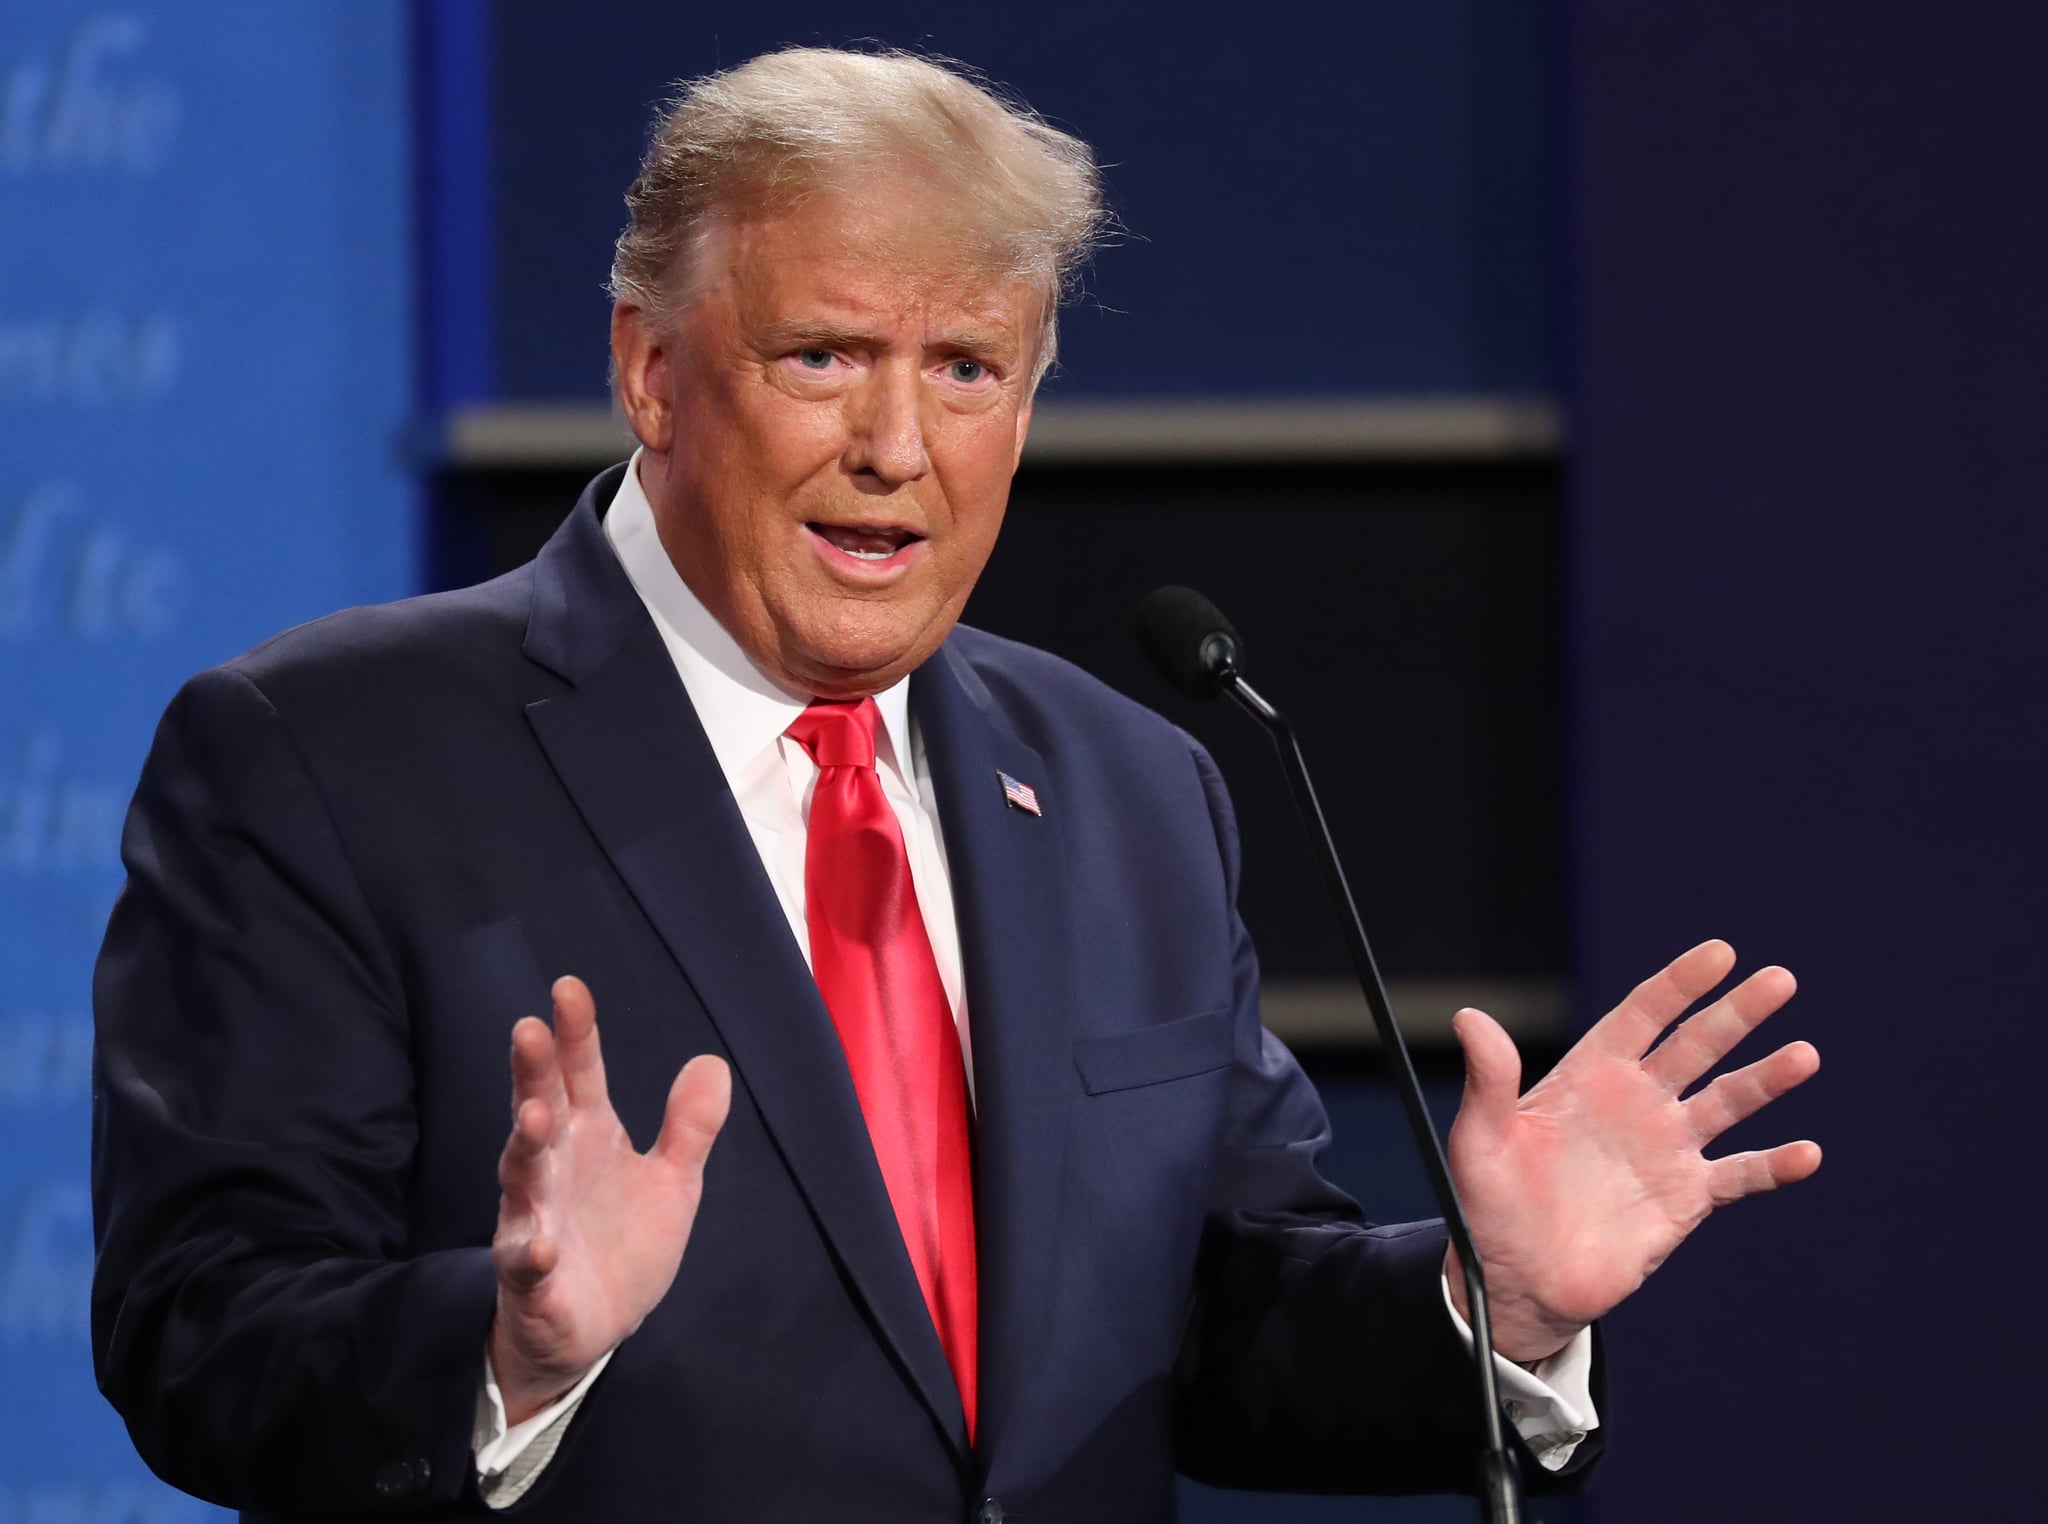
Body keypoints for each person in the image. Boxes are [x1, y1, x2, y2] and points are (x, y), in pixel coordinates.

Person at [90, 47, 1821, 1522]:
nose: (897, 447)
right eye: (824, 356)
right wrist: (507, 1345)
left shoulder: (1134, 784)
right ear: (649, 370)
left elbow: (1216, 1322)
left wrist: (1482, 1306)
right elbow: (198, 1331)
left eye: (968, 371)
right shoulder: (324, 752)